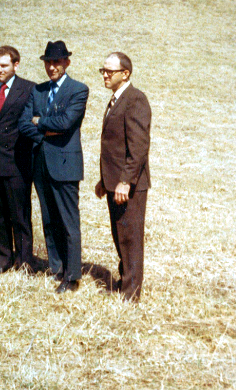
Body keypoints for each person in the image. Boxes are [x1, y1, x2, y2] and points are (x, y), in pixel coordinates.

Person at [19, 40, 88, 293]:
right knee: (49, 219)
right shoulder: (37, 91)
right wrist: (44, 128)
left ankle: (72, 276)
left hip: (65, 164)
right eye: (48, 62)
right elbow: (24, 124)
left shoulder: (78, 89)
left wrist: (40, 122)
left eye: (57, 62)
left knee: (68, 221)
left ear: (67, 63)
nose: (52, 67)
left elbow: (67, 122)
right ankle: (56, 267)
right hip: (41, 163)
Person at [94, 52, 151, 301]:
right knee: (120, 236)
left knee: (130, 238)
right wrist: (104, 181)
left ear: (125, 73)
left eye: (110, 71)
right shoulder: (117, 99)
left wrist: (125, 181)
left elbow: (138, 148)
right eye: (103, 70)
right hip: (114, 183)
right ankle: (125, 281)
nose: (105, 74)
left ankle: (131, 294)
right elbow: (114, 146)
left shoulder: (135, 100)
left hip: (129, 185)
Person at [0, 46, 36, 274]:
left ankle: (24, 263)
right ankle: (2, 260)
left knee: (20, 215)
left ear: (16, 65)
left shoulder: (29, 89)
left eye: (4, 65)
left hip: (17, 162)